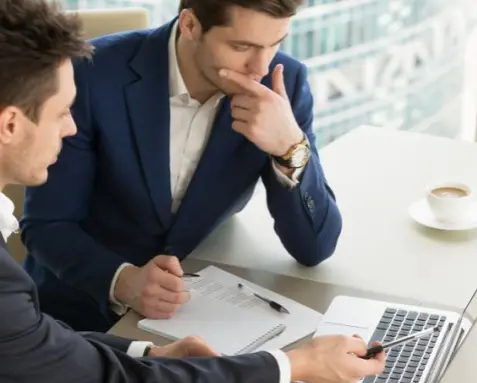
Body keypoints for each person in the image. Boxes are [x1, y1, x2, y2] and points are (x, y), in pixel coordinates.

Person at [0, 1, 385, 382]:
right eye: (242, 47)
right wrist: (121, 280)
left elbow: (314, 248)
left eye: (275, 44)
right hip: (72, 317)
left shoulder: (282, 87)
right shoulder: (87, 74)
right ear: (189, 24)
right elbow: (47, 225)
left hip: (200, 319)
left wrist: (290, 147)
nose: (261, 68)